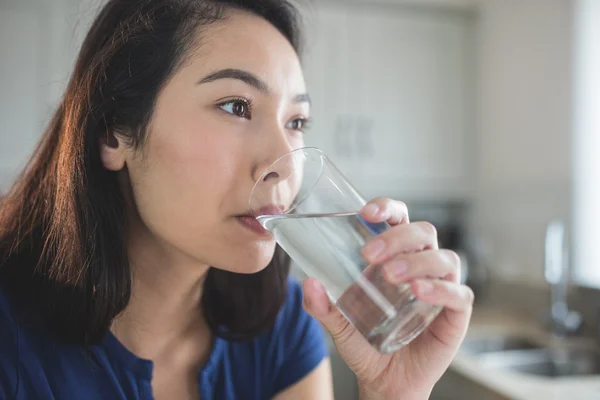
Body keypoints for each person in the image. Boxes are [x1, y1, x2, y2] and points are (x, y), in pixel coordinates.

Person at [0, 0, 474, 399]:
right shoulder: (12, 342)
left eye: (296, 122)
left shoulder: (286, 325)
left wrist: (392, 395)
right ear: (113, 135)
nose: (285, 162)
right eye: (236, 106)